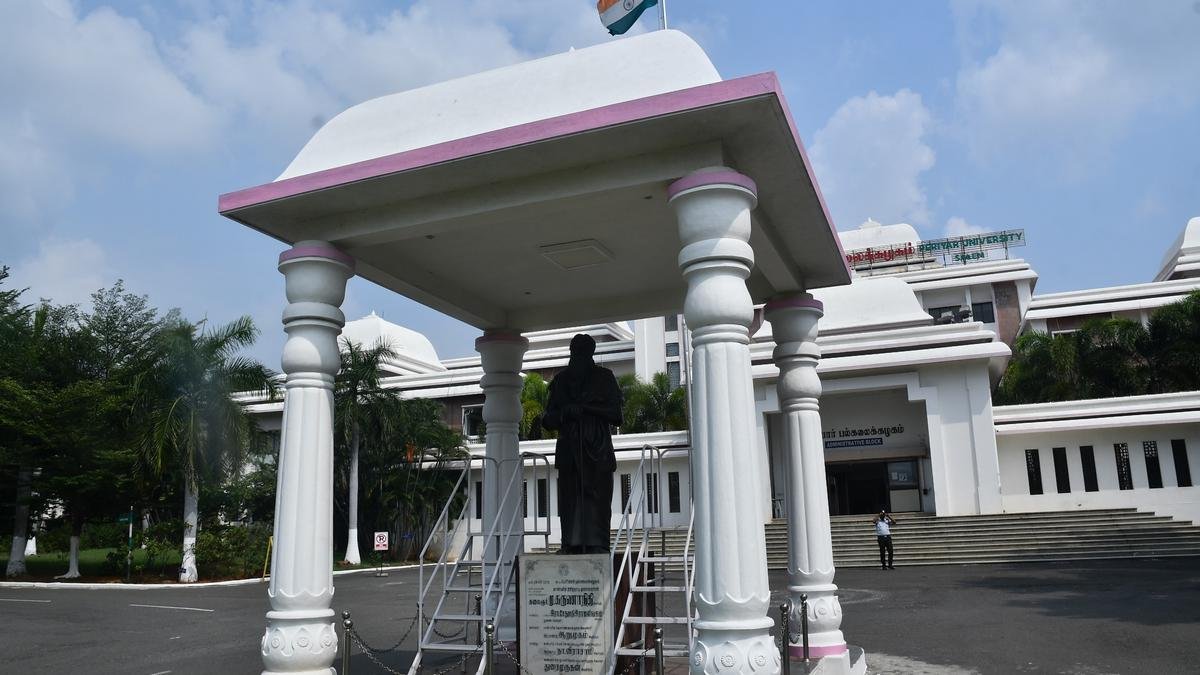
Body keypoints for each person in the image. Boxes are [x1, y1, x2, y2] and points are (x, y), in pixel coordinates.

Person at [542, 334, 623, 554]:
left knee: (597, 497)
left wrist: (586, 409)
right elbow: (547, 419)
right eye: (574, 352)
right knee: (569, 499)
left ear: (590, 354)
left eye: (582, 352)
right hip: (569, 449)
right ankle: (570, 543)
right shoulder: (561, 380)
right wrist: (564, 412)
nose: (577, 356)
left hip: (597, 448)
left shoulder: (605, 378)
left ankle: (598, 543)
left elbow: (617, 415)